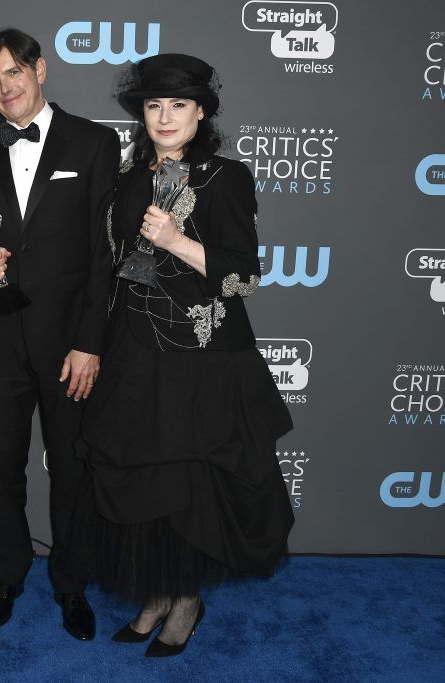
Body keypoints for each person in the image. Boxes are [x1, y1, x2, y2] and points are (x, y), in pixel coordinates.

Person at [59, 53, 294, 657]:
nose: (164, 117)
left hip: (202, 358)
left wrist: (176, 241)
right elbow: (104, 272)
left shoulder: (226, 177)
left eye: (179, 105)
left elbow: (242, 277)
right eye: (154, 105)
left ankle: (186, 599)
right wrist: (90, 342)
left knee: (190, 484)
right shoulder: (128, 178)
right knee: (143, 480)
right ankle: (156, 594)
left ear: (202, 112)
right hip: (134, 355)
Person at [0, 29, 120, 641]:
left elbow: (106, 255)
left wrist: (91, 341)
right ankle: (8, 574)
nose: (5, 87)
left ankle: (71, 582)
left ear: (41, 70)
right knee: (0, 465)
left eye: (14, 72)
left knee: (73, 468)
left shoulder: (97, 143)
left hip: (70, 342)